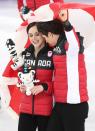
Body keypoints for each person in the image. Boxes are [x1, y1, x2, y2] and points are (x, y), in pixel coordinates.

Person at [36, 10, 89, 131]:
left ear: (50, 34)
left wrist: (66, 23)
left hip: (75, 106)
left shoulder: (70, 47)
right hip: (60, 104)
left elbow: (74, 42)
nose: (46, 42)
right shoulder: (57, 48)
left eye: (45, 37)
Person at [18, 22, 54, 131]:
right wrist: (21, 86)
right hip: (25, 109)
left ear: (43, 34)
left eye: (37, 34)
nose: (34, 38)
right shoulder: (25, 54)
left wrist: (44, 86)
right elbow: (21, 76)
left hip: (45, 110)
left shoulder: (52, 54)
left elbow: (59, 82)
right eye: (31, 35)